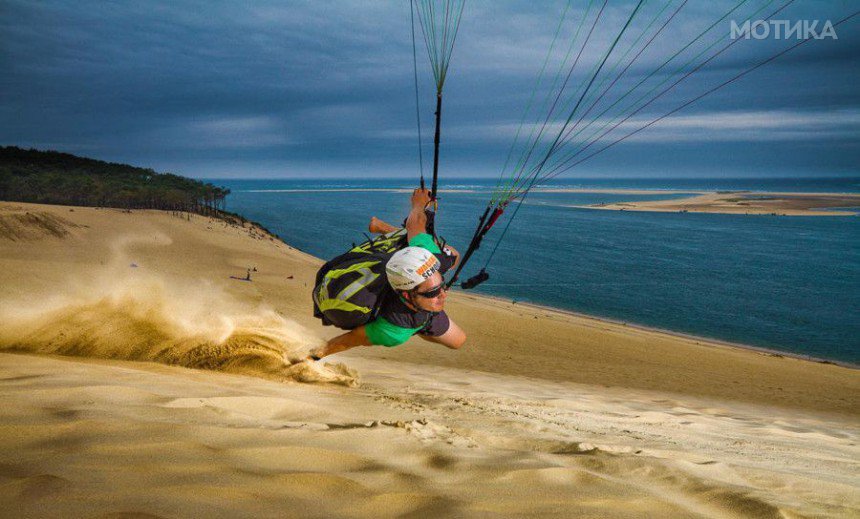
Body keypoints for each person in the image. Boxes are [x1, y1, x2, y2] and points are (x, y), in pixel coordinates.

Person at [308, 188, 466, 361]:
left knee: (452, 254)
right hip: (410, 316)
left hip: (403, 273)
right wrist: (311, 357)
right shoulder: (395, 329)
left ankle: (389, 231)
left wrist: (419, 204)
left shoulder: (427, 255)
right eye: (432, 293)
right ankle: (423, 325)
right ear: (406, 294)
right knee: (458, 340)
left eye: (441, 285)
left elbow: (415, 224)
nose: (443, 295)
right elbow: (348, 341)